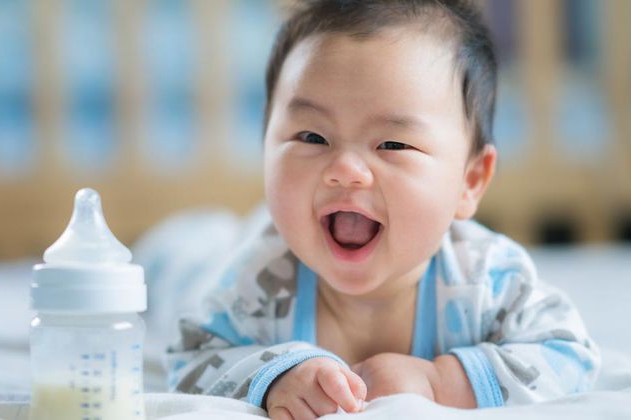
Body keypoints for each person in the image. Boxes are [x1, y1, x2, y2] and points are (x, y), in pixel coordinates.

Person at [165, 1, 600, 418]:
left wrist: (440, 381)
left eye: (392, 144)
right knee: (181, 260)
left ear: (469, 181)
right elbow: (189, 359)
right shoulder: (259, 281)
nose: (345, 171)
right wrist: (274, 375)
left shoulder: (485, 279)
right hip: (217, 251)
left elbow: (569, 354)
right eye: (312, 138)